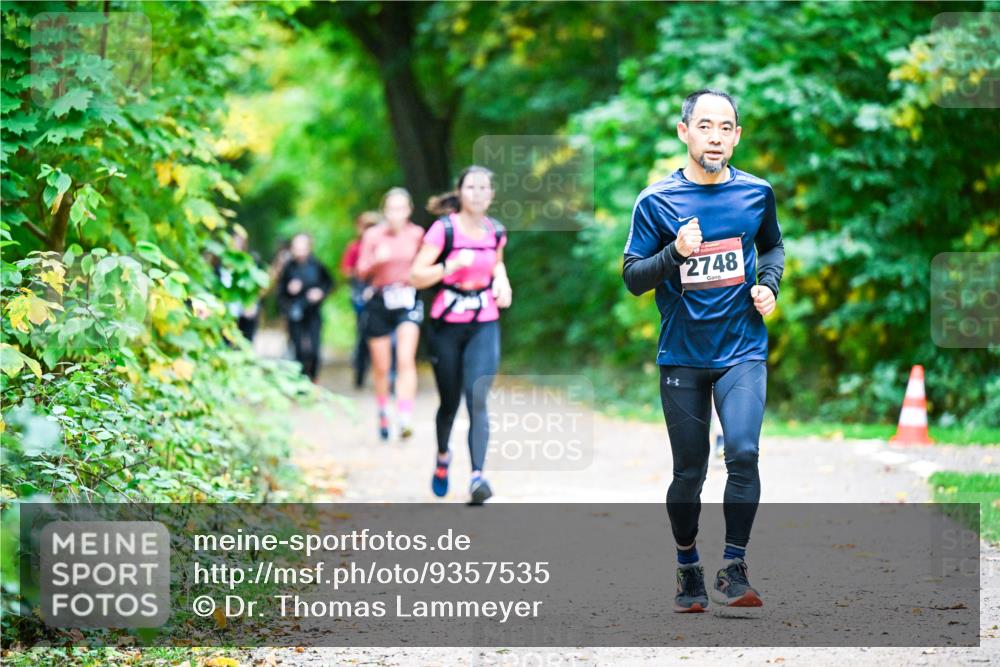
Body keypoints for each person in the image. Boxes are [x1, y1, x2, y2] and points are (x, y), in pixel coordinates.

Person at [622, 89, 784, 613]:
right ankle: (688, 565)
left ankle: (733, 567)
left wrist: (769, 284)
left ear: (737, 136)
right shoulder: (656, 201)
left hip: (742, 351)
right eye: (705, 126)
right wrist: (675, 253)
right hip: (683, 357)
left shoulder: (757, 193)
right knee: (689, 472)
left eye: (726, 127)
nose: (715, 136)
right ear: (684, 132)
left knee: (743, 452)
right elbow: (632, 278)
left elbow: (772, 245)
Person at [410, 166, 513, 505]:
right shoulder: (444, 230)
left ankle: (477, 477)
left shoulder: (495, 230)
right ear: (460, 192)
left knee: (477, 396)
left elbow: (497, 263)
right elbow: (416, 276)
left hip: (483, 319)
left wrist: (502, 281)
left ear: (492, 194)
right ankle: (443, 457)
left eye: (484, 187)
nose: (478, 192)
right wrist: (447, 268)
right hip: (447, 324)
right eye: (471, 187)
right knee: (450, 402)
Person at [356, 189, 425, 441]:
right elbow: (360, 271)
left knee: (406, 358)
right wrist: (376, 260)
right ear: (385, 211)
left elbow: (426, 264)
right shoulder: (373, 235)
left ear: (409, 210)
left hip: (407, 300)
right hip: (380, 302)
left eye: (401, 208)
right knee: (382, 366)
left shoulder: (417, 235)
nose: (396, 214)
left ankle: (405, 416)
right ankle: (383, 409)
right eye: (391, 208)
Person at [278, 233, 333, 382]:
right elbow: (279, 293)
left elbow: (329, 284)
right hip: (294, 313)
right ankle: (301, 381)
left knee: (314, 350)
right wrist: (289, 291)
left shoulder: (317, 265)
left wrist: (320, 293)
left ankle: (313, 378)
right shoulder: (288, 268)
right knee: (299, 350)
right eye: (296, 247)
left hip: (313, 312)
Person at [341, 211, 381, 388]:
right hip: (360, 292)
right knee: (363, 331)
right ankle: (360, 370)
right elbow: (346, 270)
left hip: (380, 292)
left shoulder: (382, 245)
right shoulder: (355, 247)